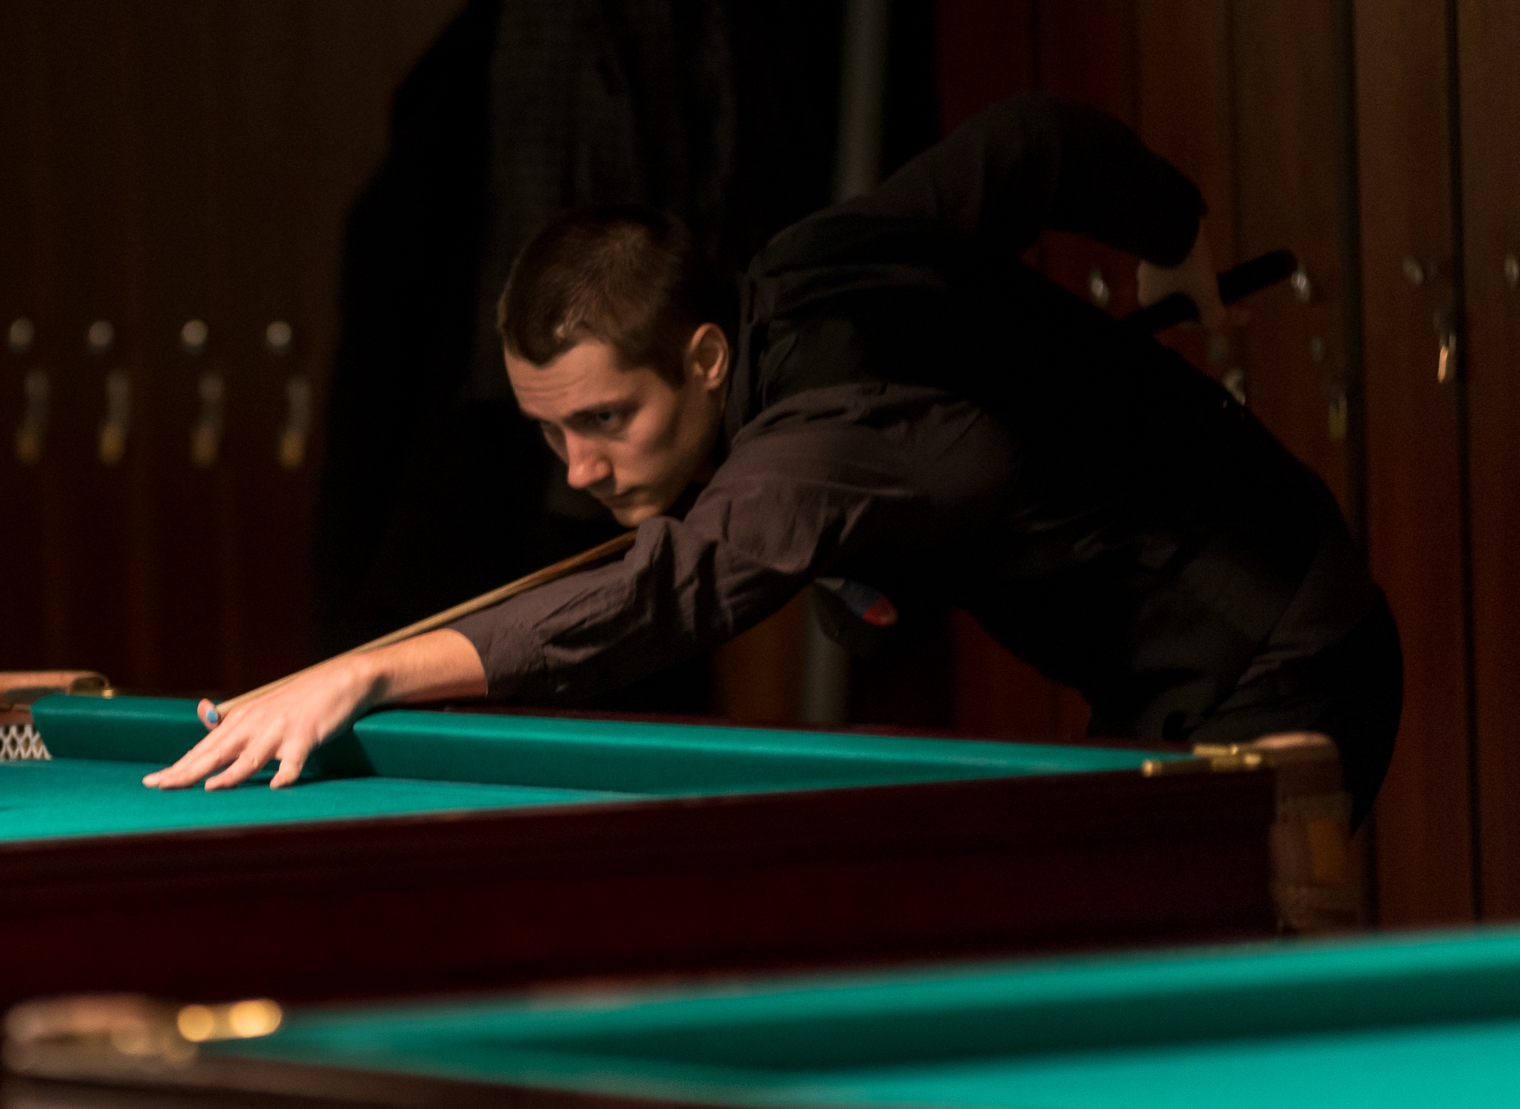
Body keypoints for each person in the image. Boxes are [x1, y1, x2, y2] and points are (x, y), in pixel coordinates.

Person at [145, 94, 1403, 822]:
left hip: (1273, 649)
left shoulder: (804, 453)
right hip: (1174, 651)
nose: (577, 469)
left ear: (703, 358)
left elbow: (661, 597)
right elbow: (1032, 146)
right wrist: (1169, 229)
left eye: (605, 421)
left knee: (1177, 1004)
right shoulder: (808, 260)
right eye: (550, 431)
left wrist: (365, 672)